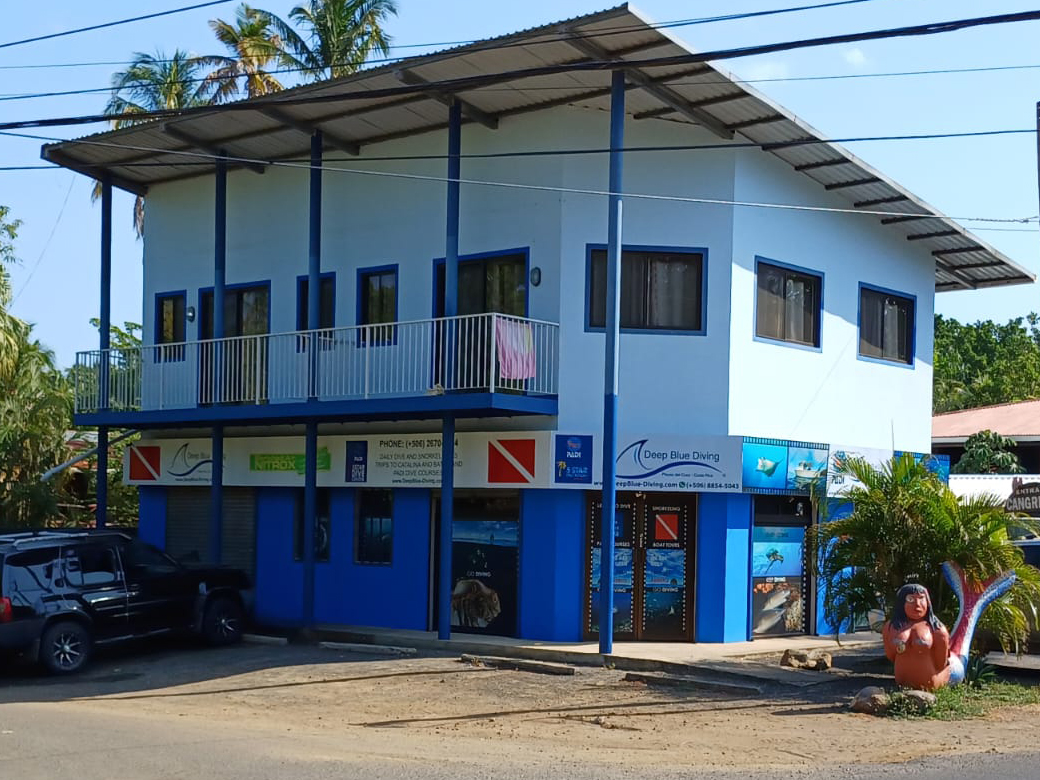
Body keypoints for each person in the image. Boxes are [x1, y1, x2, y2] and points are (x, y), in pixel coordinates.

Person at [882, 583, 951, 690]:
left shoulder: (937, 629)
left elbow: (941, 663)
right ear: (902, 603)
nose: (917, 604)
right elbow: (890, 655)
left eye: (921, 599)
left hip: (930, 683)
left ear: (928, 602)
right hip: (901, 682)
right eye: (910, 599)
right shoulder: (890, 627)